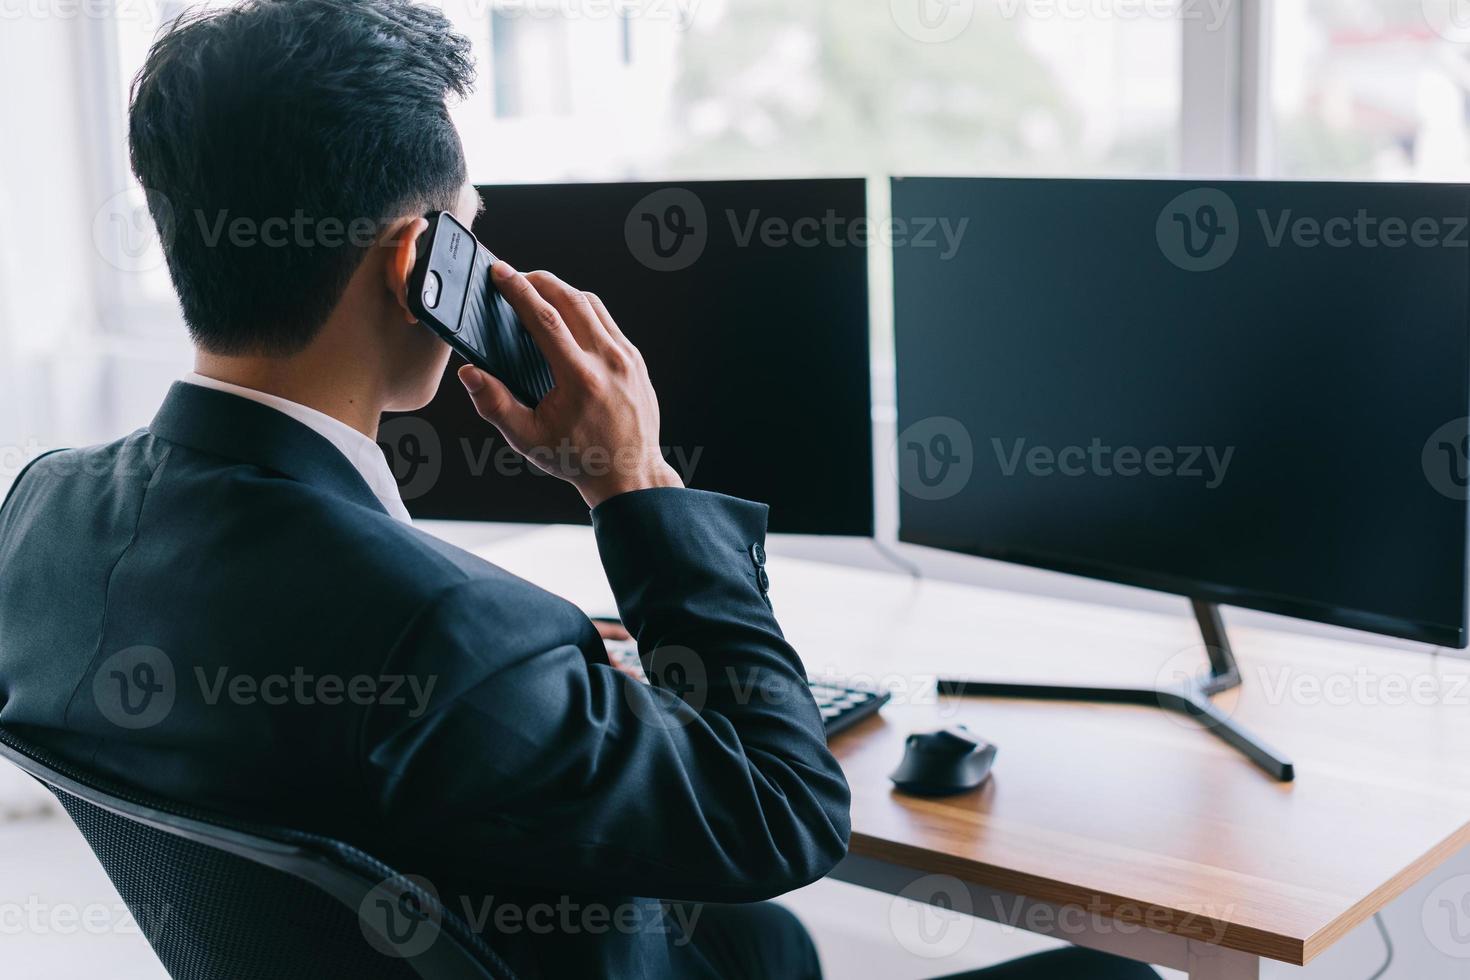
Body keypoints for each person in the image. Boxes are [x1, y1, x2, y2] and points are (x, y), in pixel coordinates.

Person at [0, 2, 1157, 978]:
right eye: (472, 231)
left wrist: (547, 688)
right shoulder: (453, 633)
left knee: (761, 942)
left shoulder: (38, 518)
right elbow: (790, 812)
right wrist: (632, 480)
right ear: (422, 268)